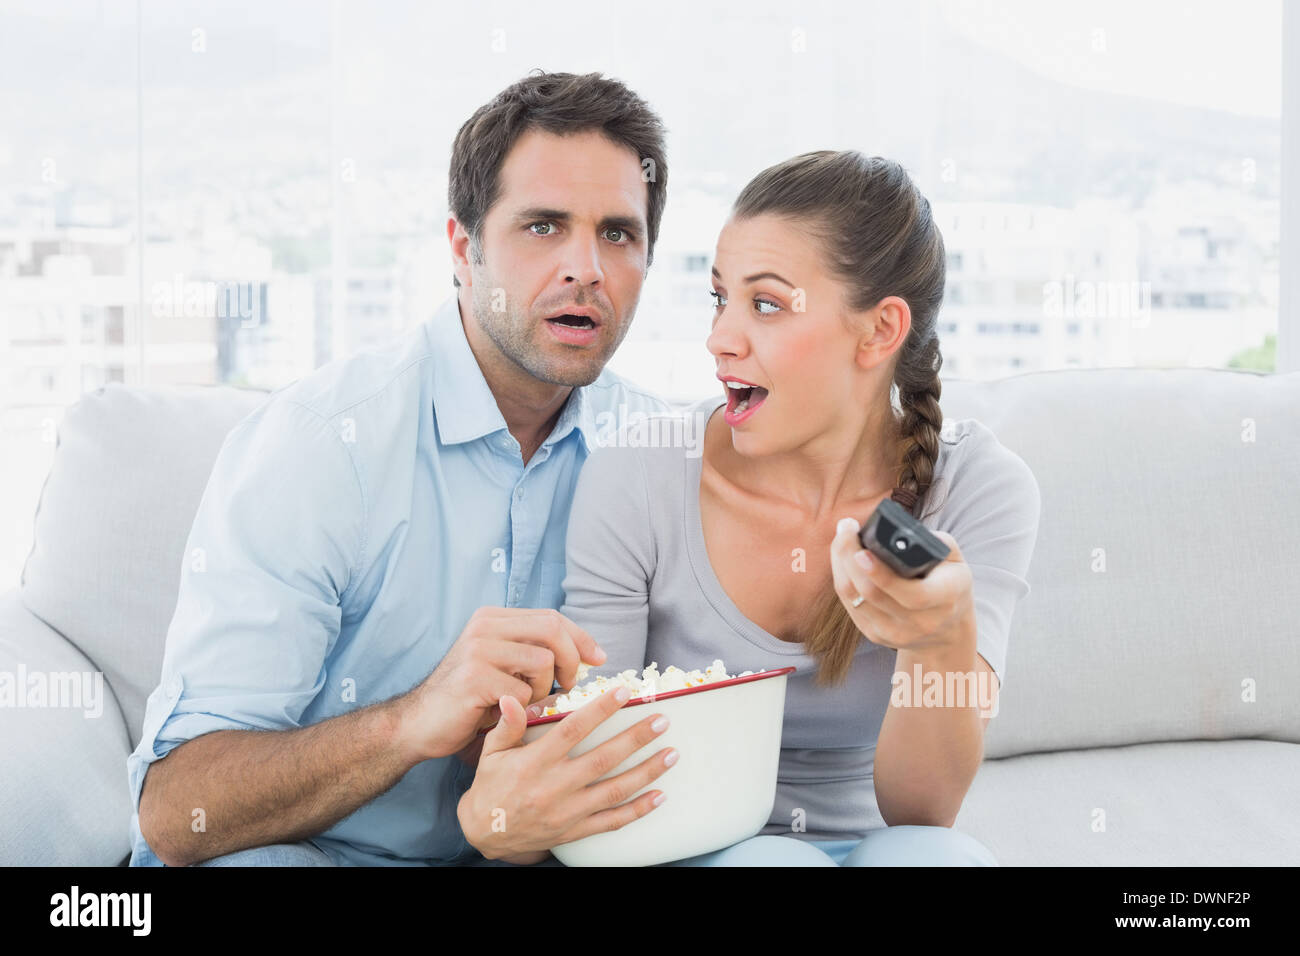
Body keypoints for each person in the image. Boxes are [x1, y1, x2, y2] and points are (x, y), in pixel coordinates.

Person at [127, 70, 684, 867]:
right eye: (542, 226)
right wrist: (411, 720)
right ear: (463, 249)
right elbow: (177, 811)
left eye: (618, 235)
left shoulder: (660, 451)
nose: (585, 268)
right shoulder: (320, 444)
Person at [552, 151, 1043, 866]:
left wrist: (940, 638)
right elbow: (596, 755)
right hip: (690, 836)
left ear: (878, 332)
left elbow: (925, 811)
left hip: (885, 839)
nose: (720, 338)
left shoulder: (979, 486)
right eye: (720, 298)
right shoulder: (638, 474)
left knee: (943, 859)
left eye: (767, 304)